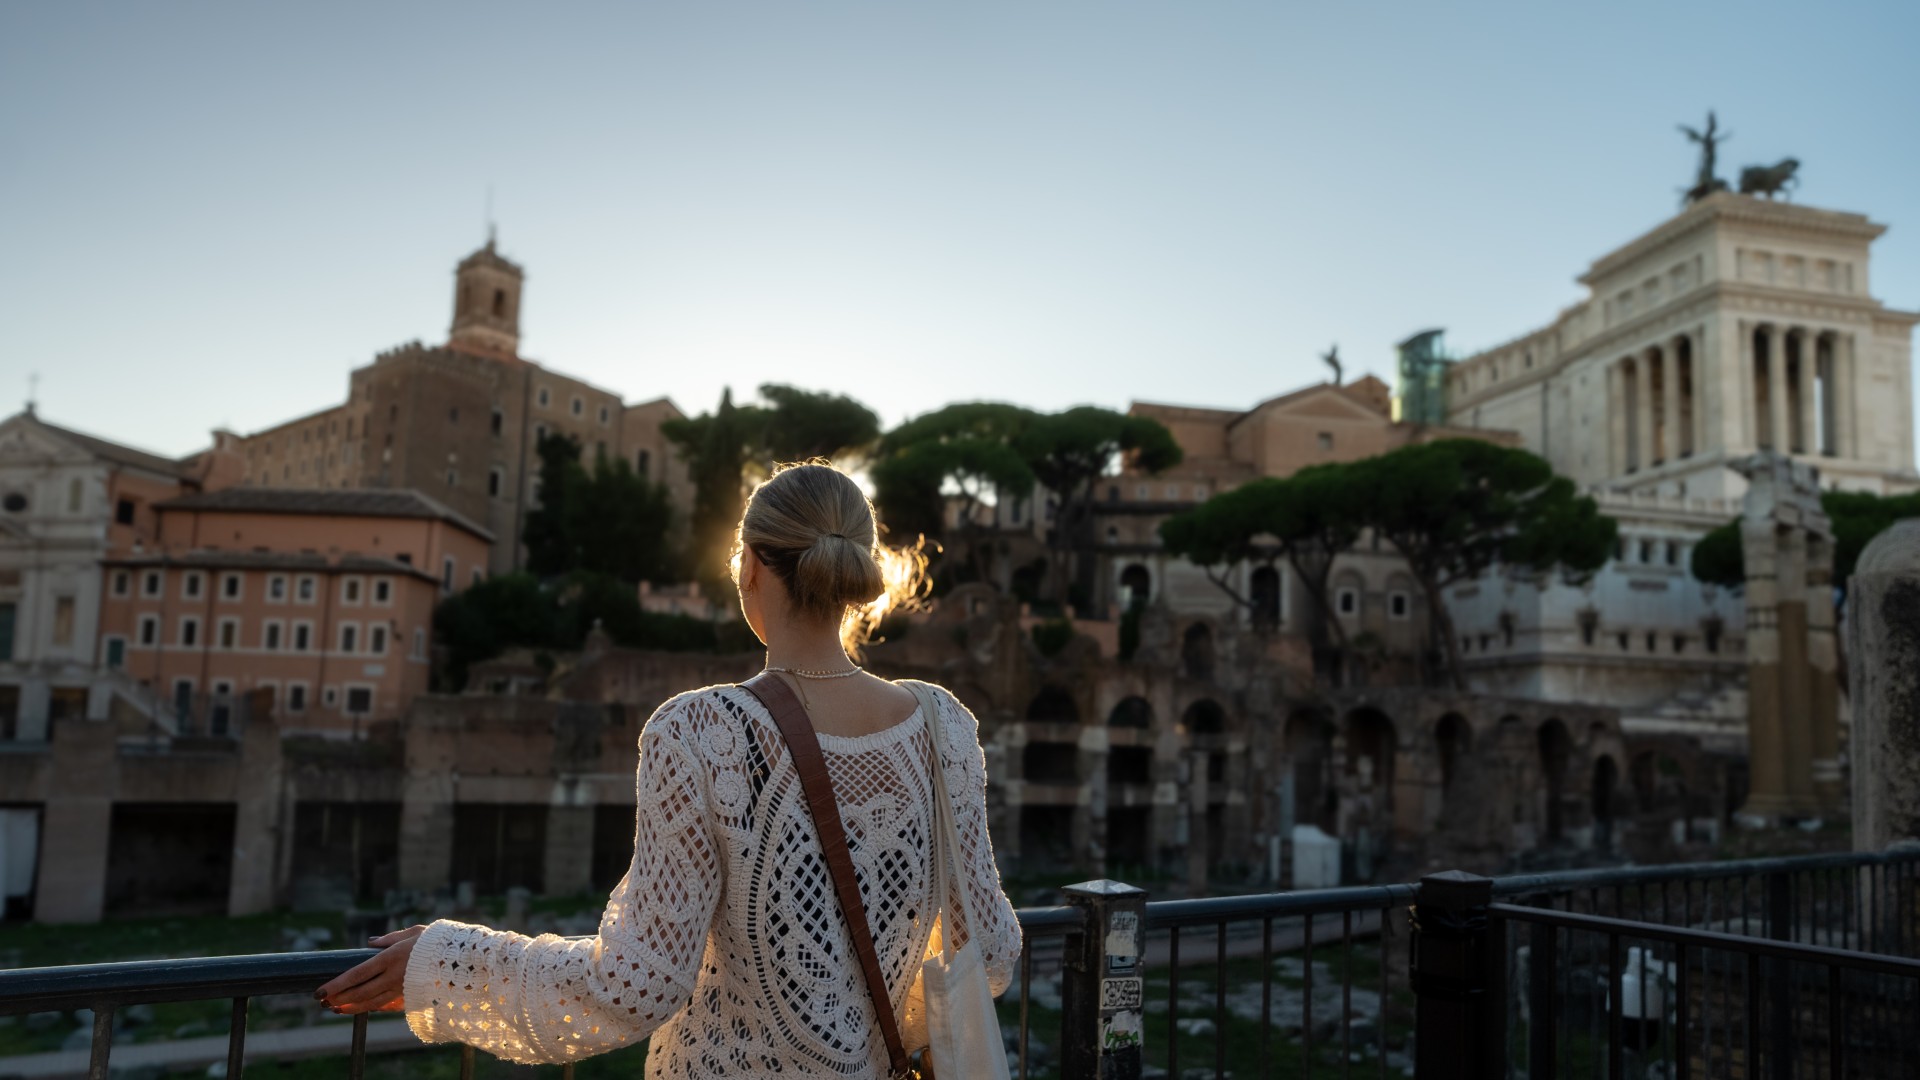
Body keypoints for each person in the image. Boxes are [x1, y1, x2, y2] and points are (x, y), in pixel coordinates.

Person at [315, 462, 1022, 1077]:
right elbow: (988, 950)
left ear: (747, 565)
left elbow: (638, 984)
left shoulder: (701, 730)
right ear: (853, 572)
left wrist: (449, 960)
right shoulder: (944, 727)